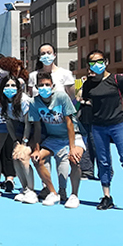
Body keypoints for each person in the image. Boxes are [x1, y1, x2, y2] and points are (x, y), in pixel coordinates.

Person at [81, 51, 123, 214]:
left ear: (106, 61)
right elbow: (84, 99)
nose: (96, 64)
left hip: (118, 124)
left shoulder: (118, 80)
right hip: (98, 126)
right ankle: (107, 196)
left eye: (99, 61)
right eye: (92, 62)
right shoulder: (88, 84)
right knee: (103, 161)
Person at [29, 72, 85, 208]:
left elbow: (70, 123)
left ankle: (74, 195)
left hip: (73, 135)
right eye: (41, 85)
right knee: (37, 159)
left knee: (74, 159)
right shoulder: (34, 103)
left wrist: (72, 148)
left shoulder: (61, 97)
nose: (44, 87)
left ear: (52, 86)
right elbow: (37, 129)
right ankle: (53, 193)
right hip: (54, 138)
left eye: (47, 85)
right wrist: (36, 150)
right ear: (36, 87)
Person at [0, 75, 38, 204]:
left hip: (33, 128)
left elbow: (28, 123)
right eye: (7, 86)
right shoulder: (2, 102)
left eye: (13, 85)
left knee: (23, 156)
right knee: (15, 157)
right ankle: (24, 188)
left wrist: (24, 142)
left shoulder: (24, 100)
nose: (10, 88)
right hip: (17, 128)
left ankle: (31, 190)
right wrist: (15, 141)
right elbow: (8, 122)